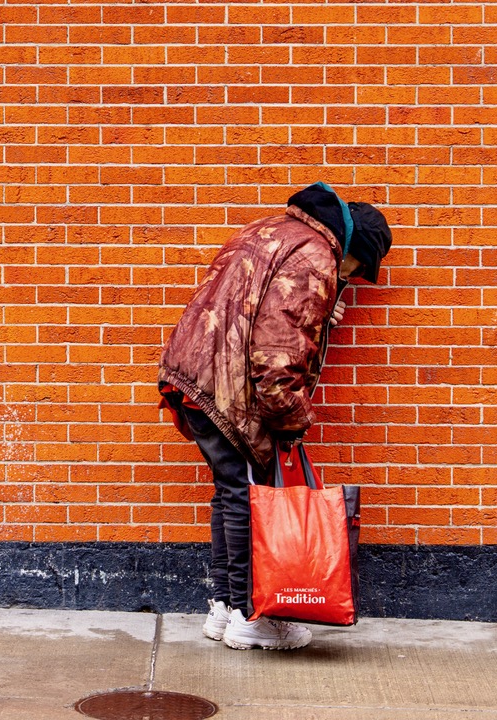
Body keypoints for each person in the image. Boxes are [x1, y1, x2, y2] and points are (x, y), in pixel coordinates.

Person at [157, 182, 392, 651]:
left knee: (232, 494)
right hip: (231, 389)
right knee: (250, 498)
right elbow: (278, 351)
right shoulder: (316, 256)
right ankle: (252, 616)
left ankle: (226, 607)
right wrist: (291, 416)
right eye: (356, 270)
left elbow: (255, 305)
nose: (349, 278)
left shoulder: (275, 230)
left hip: (197, 375)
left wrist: (320, 307)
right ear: (353, 251)